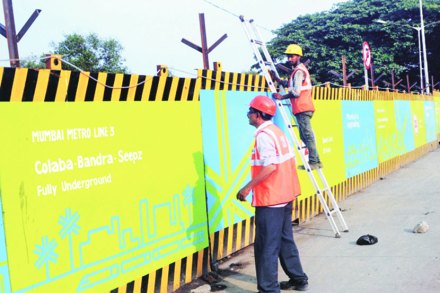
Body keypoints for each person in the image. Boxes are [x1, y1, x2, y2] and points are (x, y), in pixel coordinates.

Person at [237, 95, 308, 292]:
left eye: (250, 111)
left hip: (271, 199)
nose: (248, 115)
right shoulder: (277, 132)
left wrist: (247, 187)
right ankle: (298, 279)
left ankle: (269, 288)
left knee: (266, 246)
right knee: (285, 240)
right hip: (285, 195)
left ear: (259, 115)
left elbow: (270, 167)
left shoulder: (264, 136)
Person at [272, 44, 323, 170]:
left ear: (299, 56)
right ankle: (317, 160)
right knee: (303, 136)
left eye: (292, 56)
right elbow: (289, 84)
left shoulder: (299, 71)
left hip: (303, 107)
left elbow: (295, 92)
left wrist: (281, 97)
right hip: (302, 108)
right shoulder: (297, 71)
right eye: (288, 56)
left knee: (307, 135)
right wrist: (277, 80)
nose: (290, 59)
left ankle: (313, 162)